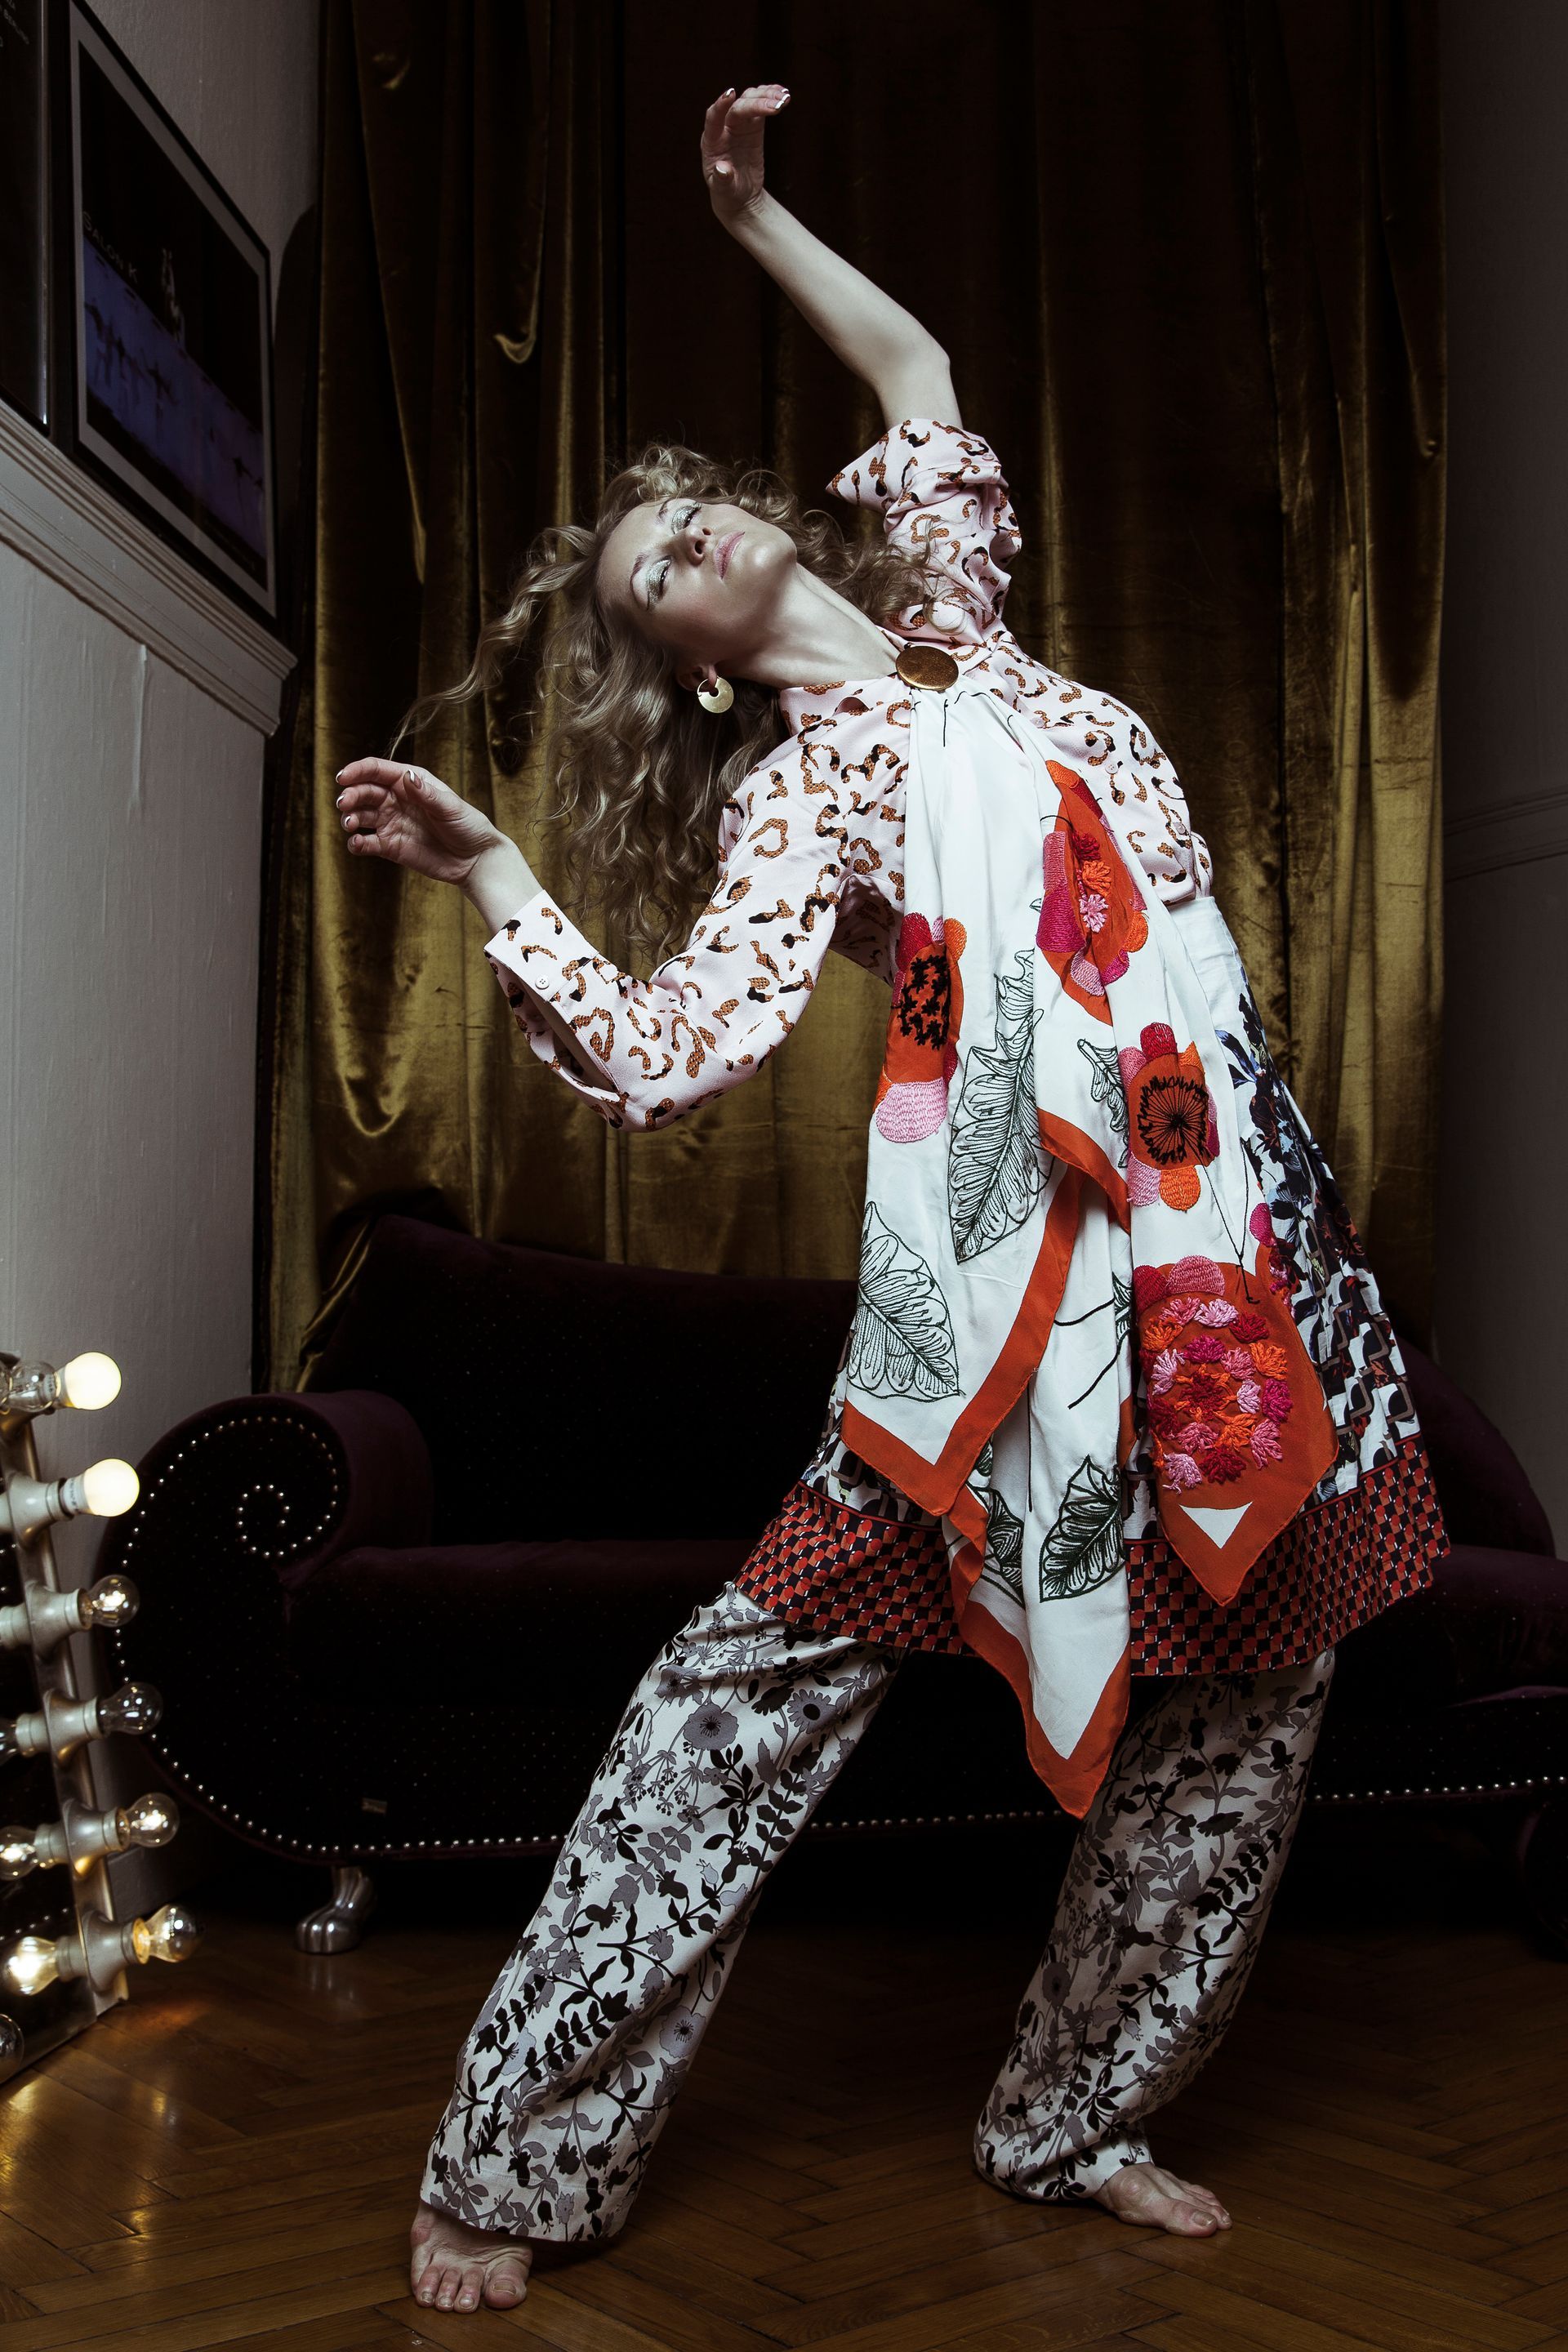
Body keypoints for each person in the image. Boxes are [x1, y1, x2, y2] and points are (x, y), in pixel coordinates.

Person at [332, 85, 1447, 2319]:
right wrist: (498, 876)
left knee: (1248, 1719)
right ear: (695, 663)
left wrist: (752, 218)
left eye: (680, 519)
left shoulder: (974, 644)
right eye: (644, 579)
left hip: (1235, 1260)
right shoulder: (811, 791)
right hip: (1004, 1305)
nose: (672, 549)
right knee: (725, 1716)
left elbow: (919, 379)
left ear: (776, 531)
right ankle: (521, 2152)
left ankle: (1071, 2117)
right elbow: (663, 1061)